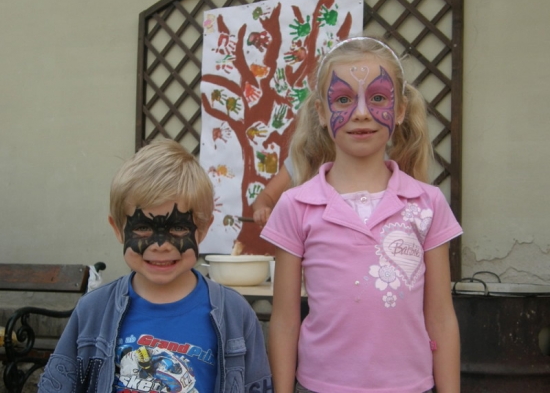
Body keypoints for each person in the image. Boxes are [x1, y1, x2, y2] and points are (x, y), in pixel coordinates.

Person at [261, 37, 462, 393]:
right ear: (321, 112)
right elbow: (285, 323)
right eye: (342, 99)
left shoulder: (428, 204)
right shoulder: (295, 206)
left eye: (379, 98)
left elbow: (442, 319)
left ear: (400, 110)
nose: (361, 113)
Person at [38, 139, 272, 393]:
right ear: (118, 229)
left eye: (178, 227)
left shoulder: (235, 314)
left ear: (203, 229)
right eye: (142, 227)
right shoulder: (93, 311)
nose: (161, 245)